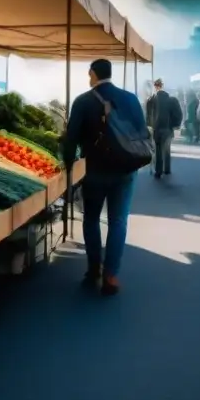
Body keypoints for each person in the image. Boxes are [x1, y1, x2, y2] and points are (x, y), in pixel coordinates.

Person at [62, 59, 148, 296]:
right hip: (126, 171)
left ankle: (93, 269)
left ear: (92, 73)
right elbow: (142, 132)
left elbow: (70, 139)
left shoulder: (82, 101)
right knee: (118, 221)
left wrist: (69, 166)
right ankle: (111, 275)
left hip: (95, 171)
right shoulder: (130, 99)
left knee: (90, 219)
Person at [145, 79, 182, 179]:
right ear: (163, 86)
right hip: (168, 129)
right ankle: (167, 169)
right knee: (166, 149)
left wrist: (148, 126)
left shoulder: (151, 100)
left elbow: (148, 116)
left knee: (157, 150)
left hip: (156, 128)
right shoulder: (172, 100)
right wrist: (175, 125)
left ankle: (158, 171)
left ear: (155, 86)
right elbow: (178, 114)